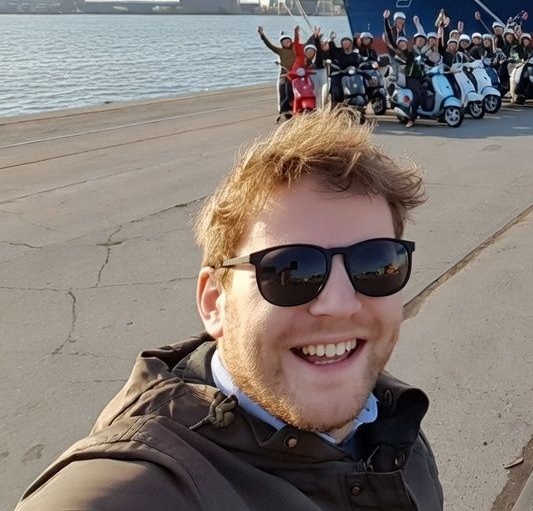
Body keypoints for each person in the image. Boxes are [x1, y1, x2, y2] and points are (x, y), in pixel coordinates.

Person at [15, 111, 442, 510]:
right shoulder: (141, 486)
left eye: (374, 264)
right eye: (290, 271)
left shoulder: (391, 420)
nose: (338, 304)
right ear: (215, 302)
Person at [258, 25, 296, 120]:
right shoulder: (280, 51)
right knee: (282, 90)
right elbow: (269, 45)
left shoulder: (295, 51)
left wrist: (315, 37)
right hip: (283, 75)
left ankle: (292, 110)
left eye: (288, 41)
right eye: (284, 41)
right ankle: (283, 111)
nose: (286, 43)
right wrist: (262, 35)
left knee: (291, 92)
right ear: (281, 43)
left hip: (293, 75)